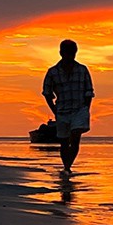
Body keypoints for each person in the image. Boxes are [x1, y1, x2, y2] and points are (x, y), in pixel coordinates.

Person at [42, 39, 95, 173]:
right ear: (61, 53)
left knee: (75, 136)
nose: (70, 55)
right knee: (64, 142)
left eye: (72, 52)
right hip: (62, 111)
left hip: (80, 109)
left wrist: (86, 109)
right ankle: (66, 168)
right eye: (68, 52)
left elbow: (89, 91)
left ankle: (67, 167)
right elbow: (47, 93)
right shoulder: (52, 72)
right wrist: (54, 110)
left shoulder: (82, 70)